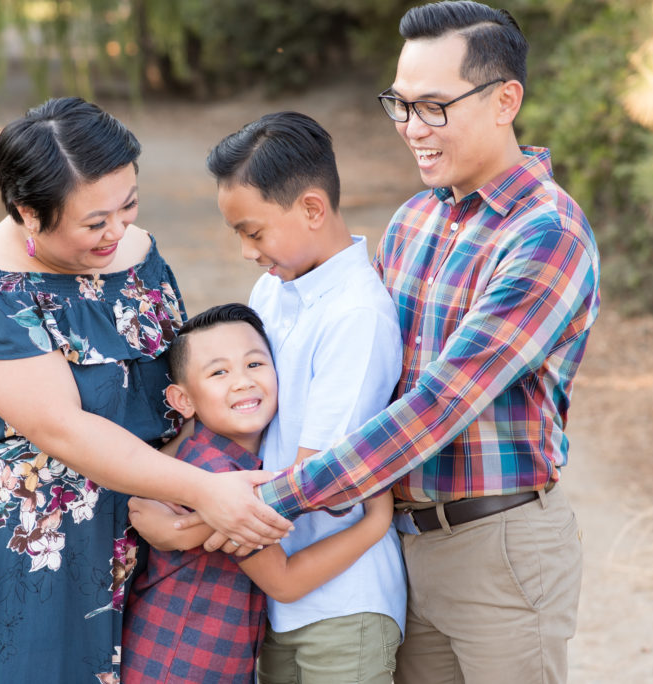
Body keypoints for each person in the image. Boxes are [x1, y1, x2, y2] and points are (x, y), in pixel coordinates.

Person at [204, 3, 599, 683]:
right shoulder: (416, 219)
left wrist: (272, 501)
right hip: (399, 545)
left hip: (496, 547)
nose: (412, 128)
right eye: (402, 104)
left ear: (506, 100)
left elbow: (438, 406)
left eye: (435, 107)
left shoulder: (545, 236)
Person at [0, 97, 290, 683]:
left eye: (128, 205)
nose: (117, 231)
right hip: (41, 547)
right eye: (95, 222)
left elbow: (178, 382)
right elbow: (62, 429)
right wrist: (204, 490)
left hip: (154, 528)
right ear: (29, 213)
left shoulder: (134, 254)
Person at [207, 112, 407, 683]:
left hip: (344, 602)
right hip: (277, 595)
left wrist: (192, 513)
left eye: (254, 231)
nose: (247, 251)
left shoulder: (357, 314)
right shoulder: (272, 290)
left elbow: (316, 477)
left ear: (313, 209)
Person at [121, 304, 395, 684]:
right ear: (183, 400)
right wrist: (376, 522)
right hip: (180, 661)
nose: (242, 382)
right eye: (219, 372)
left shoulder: (228, 459)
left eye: (254, 365)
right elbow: (285, 581)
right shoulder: (219, 474)